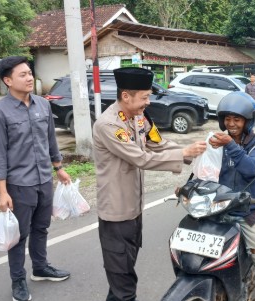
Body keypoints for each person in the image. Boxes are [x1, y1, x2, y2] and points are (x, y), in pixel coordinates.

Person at [92, 67, 207, 301]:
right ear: (126, 96)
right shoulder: (110, 125)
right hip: (116, 214)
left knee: (121, 278)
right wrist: (183, 152)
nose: (148, 102)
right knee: (124, 282)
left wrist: (189, 151)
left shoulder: (138, 117)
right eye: (144, 97)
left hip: (134, 210)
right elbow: (141, 158)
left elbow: (157, 143)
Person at [0, 56, 72, 301]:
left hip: (44, 178)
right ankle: (18, 281)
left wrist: (59, 168)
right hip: (19, 184)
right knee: (18, 236)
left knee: (41, 228)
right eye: (22, 74)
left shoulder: (42, 105)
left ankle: (40, 267)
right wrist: (3, 192)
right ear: (7, 80)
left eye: (29, 73)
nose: (29, 77)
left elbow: (50, 140)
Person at [208, 91, 255, 301]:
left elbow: (252, 168)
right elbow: (205, 170)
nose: (231, 123)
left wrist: (229, 146)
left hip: (249, 211)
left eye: (237, 119)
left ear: (247, 121)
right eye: (227, 118)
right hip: (220, 208)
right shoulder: (217, 142)